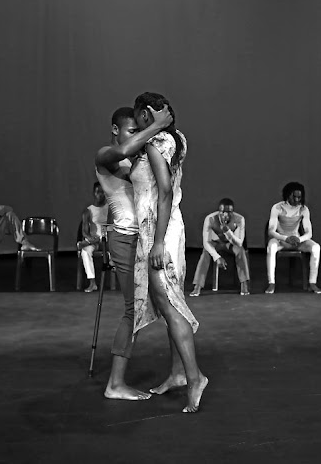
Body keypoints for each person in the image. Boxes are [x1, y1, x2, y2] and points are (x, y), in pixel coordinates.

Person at [130, 92, 208, 413]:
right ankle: (177, 373)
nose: (136, 124)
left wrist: (158, 241)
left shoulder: (153, 143)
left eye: (138, 118)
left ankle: (195, 378)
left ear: (147, 114)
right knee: (170, 302)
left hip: (159, 230)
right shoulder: (178, 138)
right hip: (172, 225)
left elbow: (163, 190)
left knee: (167, 302)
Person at [94, 104, 173, 401]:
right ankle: (115, 384)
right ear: (115, 130)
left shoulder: (138, 158)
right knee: (134, 309)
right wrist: (157, 126)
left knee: (168, 306)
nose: (138, 137)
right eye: (132, 132)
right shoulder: (105, 155)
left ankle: (179, 372)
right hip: (125, 240)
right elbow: (125, 150)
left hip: (146, 240)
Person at [265, 182, 321, 294]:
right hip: (281, 240)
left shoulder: (303, 209)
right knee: (271, 247)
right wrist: (285, 238)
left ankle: (312, 282)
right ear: (287, 195)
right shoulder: (277, 207)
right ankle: (271, 283)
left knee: (316, 247)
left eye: (299, 197)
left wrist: (299, 239)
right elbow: (271, 231)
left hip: (296, 240)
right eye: (294, 197)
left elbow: (309, 232)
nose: (296, 200)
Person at [189, 198, 250, 297]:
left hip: (230, 243)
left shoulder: (239, 219)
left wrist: (228, 232)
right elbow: (206, 242)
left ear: (232, 212)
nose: (226, 215)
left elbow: (239, 243)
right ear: (219, 211)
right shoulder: (210, 219)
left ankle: (244, 283)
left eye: (229, 212)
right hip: (215, 243)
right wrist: (217, 257)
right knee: (205, 253)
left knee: (240, 251)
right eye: (223, 212)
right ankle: (198, 286)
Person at [79, 182, 109, 293]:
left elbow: (114, 226)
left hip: (108, 240)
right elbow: (85, 232)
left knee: (103, 239)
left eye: (103, 192)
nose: (100, 195)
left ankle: (84, 243)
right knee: (85, 251)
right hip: (94, 241)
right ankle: (92, 282)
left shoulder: (110, 208)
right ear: (94, 193)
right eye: (98, 192)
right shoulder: (88, 211)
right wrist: (90, 239)